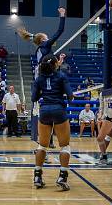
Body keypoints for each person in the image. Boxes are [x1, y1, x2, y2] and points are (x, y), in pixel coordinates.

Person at [31, 54, 74, 191]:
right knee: (64, 146)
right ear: (56, 64)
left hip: (44, 111)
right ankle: (62, 177)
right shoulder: (61, 76)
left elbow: (34, 97)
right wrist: (69, 95)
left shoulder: (39, 79)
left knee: (42, 146)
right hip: (59, 110)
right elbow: (70, 96)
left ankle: (37, 176)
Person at [17, 7, 66, 78]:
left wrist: (60, 59)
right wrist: (62, 14)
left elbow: (54, 65)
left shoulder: (40, 50)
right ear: (42, 39)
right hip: (44, 74)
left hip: (41, 73)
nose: (48, 38)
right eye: (47, 37)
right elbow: (60, 30)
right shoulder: (46, 44)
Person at [96, 93, 112, 164]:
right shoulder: (102, 93)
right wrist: (100, 115)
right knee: (100, 138)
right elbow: (101, 107)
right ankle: (104, 155)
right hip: (108, 117)